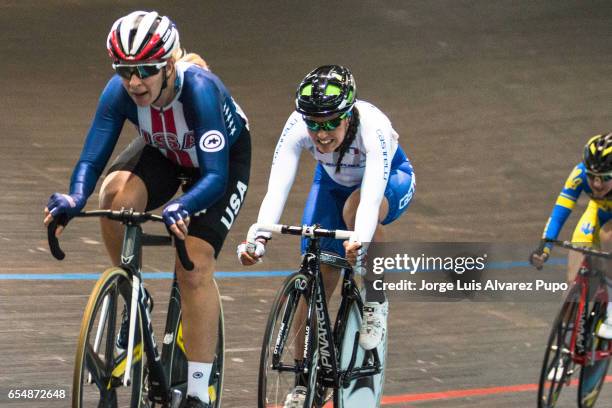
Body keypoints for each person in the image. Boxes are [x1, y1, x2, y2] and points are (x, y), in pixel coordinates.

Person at [43, 11, 250, 408]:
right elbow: (92, 158)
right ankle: (133, 295)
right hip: (167, 151)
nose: (134, 81)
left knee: (194, 263)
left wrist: (184, 205)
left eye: (145, 70)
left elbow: (215, 178)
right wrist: (75, 197)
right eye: (124, 69)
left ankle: (199, 389)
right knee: (113, 198)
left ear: (170, 65)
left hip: (219, 166)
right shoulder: (119, 91)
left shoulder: (201, 91)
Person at [238, 65, 415, 406]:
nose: (321, 133)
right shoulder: (296, 126)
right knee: (314, 272)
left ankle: (375, 297)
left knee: (354, 209)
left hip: (389, 180)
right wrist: (258, 237)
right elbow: (277, 188)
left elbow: (370, 199)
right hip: (332, 183)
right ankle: (307, 383)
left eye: (331, 122)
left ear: (348, 114)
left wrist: (360, 240)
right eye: (314, 124)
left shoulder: (372, 126)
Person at [531, 133, 612, 339]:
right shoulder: (578, 173)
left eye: (605, 178)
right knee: (574, 278)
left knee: (608, 239)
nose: (597, 184)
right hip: (598, 212)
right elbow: (560, 213)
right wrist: (545, 247)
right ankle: (564, 349)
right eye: (592, 176)